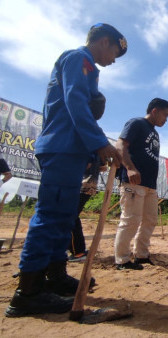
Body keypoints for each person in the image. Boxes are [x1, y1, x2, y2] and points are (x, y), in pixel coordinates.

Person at [5, 23, 126, 318]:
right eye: (115, 53)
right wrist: (99, 143)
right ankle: (28, 293)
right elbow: (74, 103)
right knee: (51, 217)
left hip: (72, 150)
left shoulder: (87, 67)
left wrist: (91, 153)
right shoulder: (77, 59)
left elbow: (81, 108)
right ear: (105, 42)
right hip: (61, 147)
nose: (113, 61)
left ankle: (55, 276)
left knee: (64, 218)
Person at [114, 98, 168, 270]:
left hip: (150, 185)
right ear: (154, 111)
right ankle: (122, 260)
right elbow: (120, 144)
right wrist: (130, 168)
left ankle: (141, 255)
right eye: (165, 115)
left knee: (150, 220)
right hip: (133, 181)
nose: (166, 119)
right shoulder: (136, 123)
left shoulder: (155, 133)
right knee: (131, 220)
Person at [68, 158, 106, 262]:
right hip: (88, 183)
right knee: (72, 215)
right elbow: (103, 166)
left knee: (69, 215)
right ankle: (77, 250)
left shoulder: (86, 144)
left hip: (81, 182)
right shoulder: (97, 145)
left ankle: (78, 252)